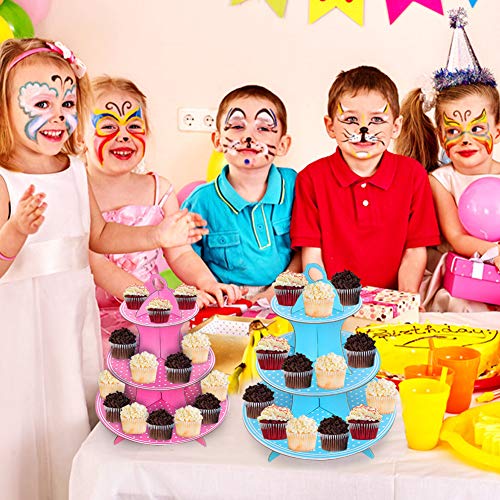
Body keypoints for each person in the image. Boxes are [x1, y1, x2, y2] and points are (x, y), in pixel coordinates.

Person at [0, 39, 206, 500]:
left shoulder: (74, 170)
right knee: (22, 416)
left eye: (68, 102)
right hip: (18, 322)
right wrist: (14, 233)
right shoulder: (4, 178)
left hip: (69, 317)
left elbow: (101, 237)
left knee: (72, 411)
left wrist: (158, 236)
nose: (57, 114)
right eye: (40, 102)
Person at [86, 76, 243, 355]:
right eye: (108, 126)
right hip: (96, 311)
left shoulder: (159, 189)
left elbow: (180, 253)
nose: (123, 135)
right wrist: (155, 303)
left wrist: (206, 282)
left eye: (134, 126)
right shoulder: (80, 190)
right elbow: (99, 267)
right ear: (80, 138)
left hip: (155, 303)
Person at [290, 66, 440, 292]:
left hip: (392, 301)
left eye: (377, 119)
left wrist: (405, 299)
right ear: (330, 126)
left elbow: (415, 249)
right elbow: (311, 253)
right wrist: (321, 298)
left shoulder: (413, 175)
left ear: (396, 126)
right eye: (350, 119)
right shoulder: (310, 178)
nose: (363, 129)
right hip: (333, 303)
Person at [395, 8, 500, 311]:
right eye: (453, 130)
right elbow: (456, 237)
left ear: (497, 129)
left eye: (477, 128)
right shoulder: (441, 179)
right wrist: (494, 253)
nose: (465, 139)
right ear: (441, 136)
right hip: (461, 276)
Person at [182, 84, 300, 301]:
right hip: (228, 301)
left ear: (283, 144)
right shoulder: (201, 201)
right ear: (218, 141)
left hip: (287, 293)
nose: (248, 136)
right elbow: (183, 255)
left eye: (263, 128)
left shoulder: (295, 186)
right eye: (237, 126)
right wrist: (206, 288)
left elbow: (307, 248)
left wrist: (277, 291)